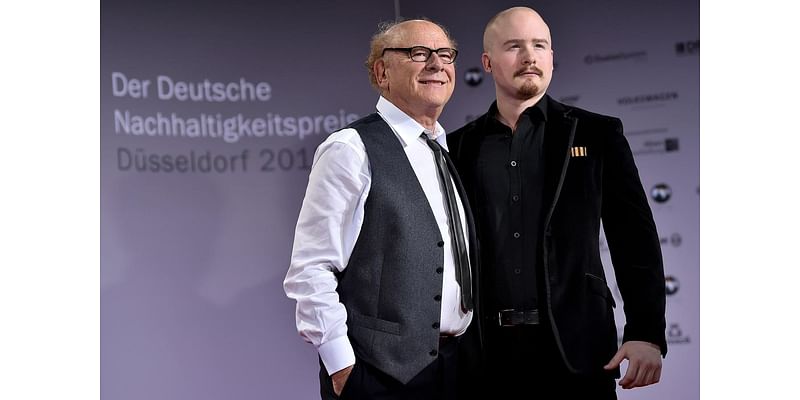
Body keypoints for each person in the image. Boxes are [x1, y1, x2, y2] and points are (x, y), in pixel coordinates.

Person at [447, 7, 667, 399]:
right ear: (487, 63)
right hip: (484, 359)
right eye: (514, 46)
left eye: (539, 45)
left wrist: (646, 333)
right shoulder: (458, 147)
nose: (529, 56)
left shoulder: (598, 134)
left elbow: (635, 240)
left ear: (551, 57)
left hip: (577, 350)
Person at [284, 18, 478, 400]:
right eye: (418, 54)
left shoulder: (444, 151)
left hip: (457, 369)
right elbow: (311, 269)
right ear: (381, 71)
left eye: (445, 54)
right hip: (379, 377)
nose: (437, 64)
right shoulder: (350, 149)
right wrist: (342, 367)